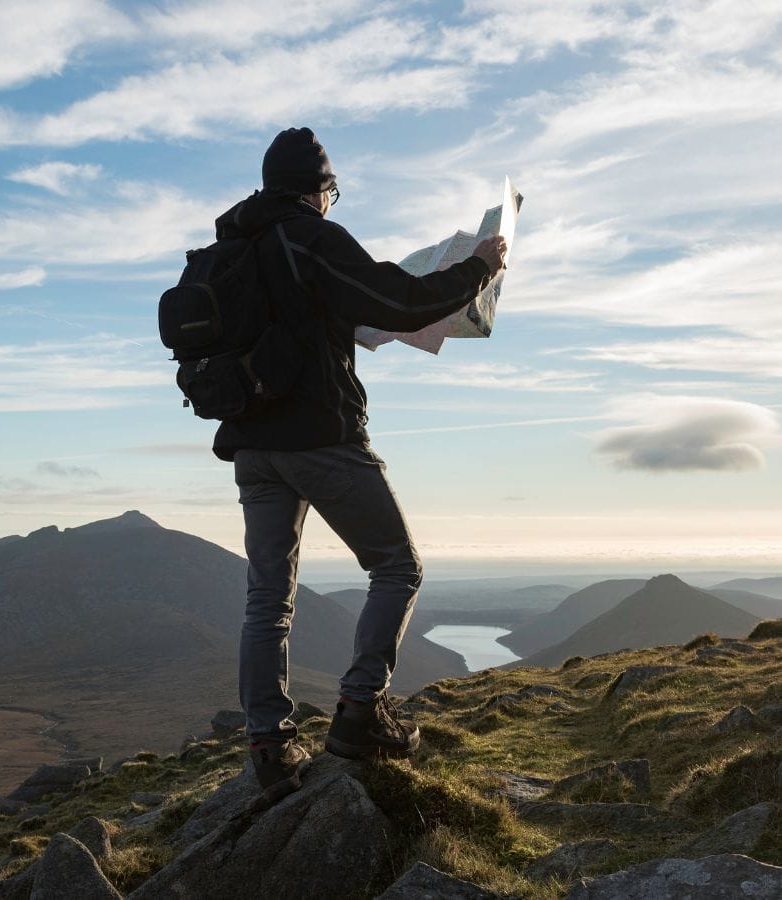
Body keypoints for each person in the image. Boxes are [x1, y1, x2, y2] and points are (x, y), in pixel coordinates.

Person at [209, 127, 507, 802]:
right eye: (330, 192)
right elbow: (400, 301)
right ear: (318, 190)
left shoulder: (236, 249)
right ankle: (360, 712)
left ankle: (268, 746)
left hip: (253, 449)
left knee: (267, 600)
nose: (329, 203)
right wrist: (480, 266)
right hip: (319, 437)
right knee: (398, 567)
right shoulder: (307, 236)